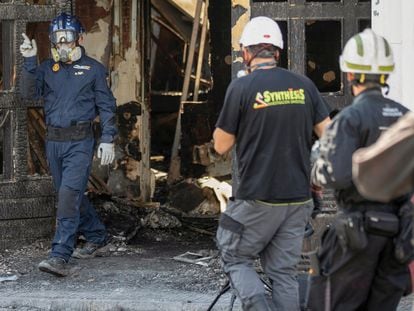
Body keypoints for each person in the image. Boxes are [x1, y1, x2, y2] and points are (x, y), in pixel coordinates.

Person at [213, 16, 330, 310]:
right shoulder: (304, 85)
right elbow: (330, 136)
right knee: (284, 274)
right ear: (277, 52)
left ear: (246, 53)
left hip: (257, 198)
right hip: (297, 199)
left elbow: (221, 145)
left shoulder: (242, 88)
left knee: (234, 255)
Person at [307, 28, 411, 310]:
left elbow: (335, 175)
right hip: (397, 234)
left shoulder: (351, 118)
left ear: (349, 74)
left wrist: (317, 165)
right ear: (386, 74)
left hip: (357, 234)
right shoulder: (405, 117)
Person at [19, 12, 117, 277]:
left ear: (80, 39)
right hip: (54, 141)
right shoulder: (45, 69)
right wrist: (29, 60)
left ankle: (60, 254)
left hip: (80, 142)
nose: (63, 45)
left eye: (68, 39)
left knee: (67, 195)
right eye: (57, 39)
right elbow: (28, 94)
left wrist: (108, 139)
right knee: (68, 192)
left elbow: (107, 106)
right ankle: (96, 235)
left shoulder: (94, 70)